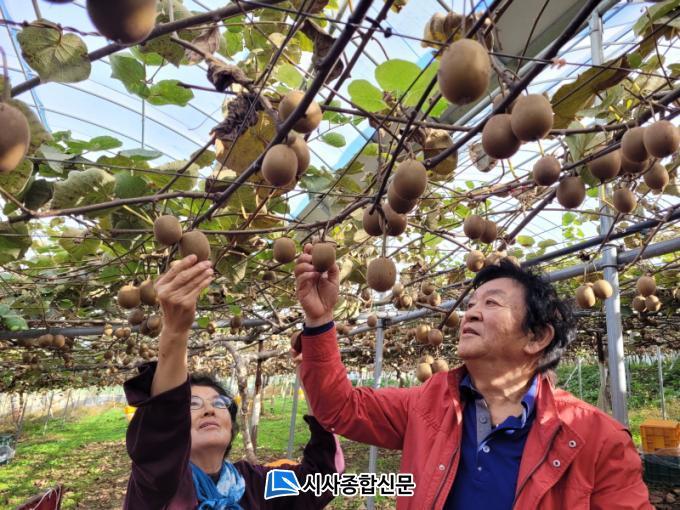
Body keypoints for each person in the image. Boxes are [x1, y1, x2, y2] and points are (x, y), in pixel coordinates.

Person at [293, 244, 652, 510]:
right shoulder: (427, 404)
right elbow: (339, 408)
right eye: (471, 305)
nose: (471, 314)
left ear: (537, 337)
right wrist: (319, 321)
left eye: (491, 303)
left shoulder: (599, 440)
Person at [123, 254, 344, 509]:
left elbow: (321, 480)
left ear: (231, 425)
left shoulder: (255, 483)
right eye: (192, 404)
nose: (209, 409)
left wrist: (314, 373)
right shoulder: (156, 487)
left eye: (219, 403)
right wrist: (175, 331)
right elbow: (159, 439)